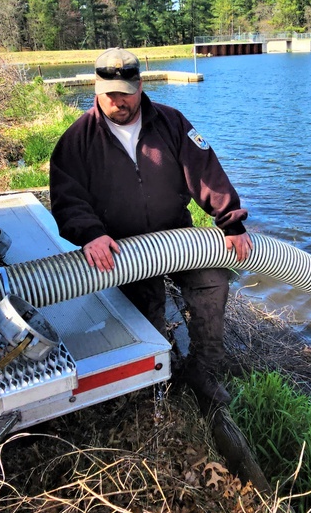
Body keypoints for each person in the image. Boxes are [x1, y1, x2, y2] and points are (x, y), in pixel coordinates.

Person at [49, 47, 252, 409]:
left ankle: (203, 372)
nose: (119, 101)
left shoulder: (172, 123)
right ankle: (161, 375)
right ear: (97, 90)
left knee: (212, 284)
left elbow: (207, 172)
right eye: (110, 93)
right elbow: (67, 197)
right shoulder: (77, 139)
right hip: (123, 249)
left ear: (141, 85)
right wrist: (90, 234)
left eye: (126, 92)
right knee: (145, 311)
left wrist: (231, 221)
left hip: (178, 236)